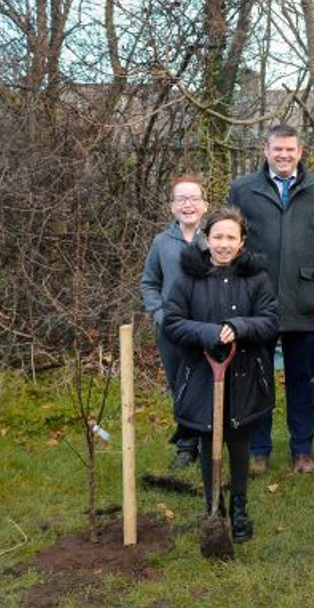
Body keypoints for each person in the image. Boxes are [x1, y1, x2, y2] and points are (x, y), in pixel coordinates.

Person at [163, 207, 279, 543]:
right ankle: (214, 507)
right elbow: (172, 322)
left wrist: (238, 327)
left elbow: (270, 321)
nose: (224, 244)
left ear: (242, 242)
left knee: (239, 442)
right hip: (202, 376)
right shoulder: (189, 277)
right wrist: (208, 332)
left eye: (231, 237)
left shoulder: (256, 277)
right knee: (206, 438)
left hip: (243, 377)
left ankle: (240, 508)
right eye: (218, 237)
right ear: (206, 238)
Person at [228, 124, 314, 475]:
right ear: (266, 150)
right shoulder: (243, 189)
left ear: (301, 152)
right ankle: (259, 450)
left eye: (290, 150)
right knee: (257, 379)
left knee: (302, 380)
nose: (284, 155)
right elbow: (231, 239)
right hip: (257, 302)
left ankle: (302, 450)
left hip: (304, 300)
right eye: (278, 149)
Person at [140, 174, 209, 471]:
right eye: (181, 199)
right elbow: (149, 282)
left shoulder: (215, 238)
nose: (188, 204)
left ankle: (210, 440)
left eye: (194, 198)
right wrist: (159, 314)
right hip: (173, 330)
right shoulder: (161, 242)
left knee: (207, 384)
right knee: (180, 385)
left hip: (208, 328)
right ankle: (186, 446)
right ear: (172, 207)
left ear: (205, 205)